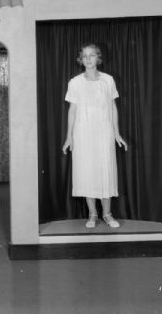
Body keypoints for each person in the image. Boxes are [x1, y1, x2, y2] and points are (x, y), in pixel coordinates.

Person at [62, 43, 128, 229]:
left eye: (92, 55)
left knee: (105, 172)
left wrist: (116, 133)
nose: (88, 59)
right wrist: (69, 137)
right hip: (82, 135)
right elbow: (72, 111)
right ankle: (92, 214)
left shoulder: (108, 80)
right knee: (86, 173)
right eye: (85, 56)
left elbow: (113, 107)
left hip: (104, 133)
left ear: (98, 58)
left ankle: (107, 214)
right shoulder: (74, 82)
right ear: (80, 60)